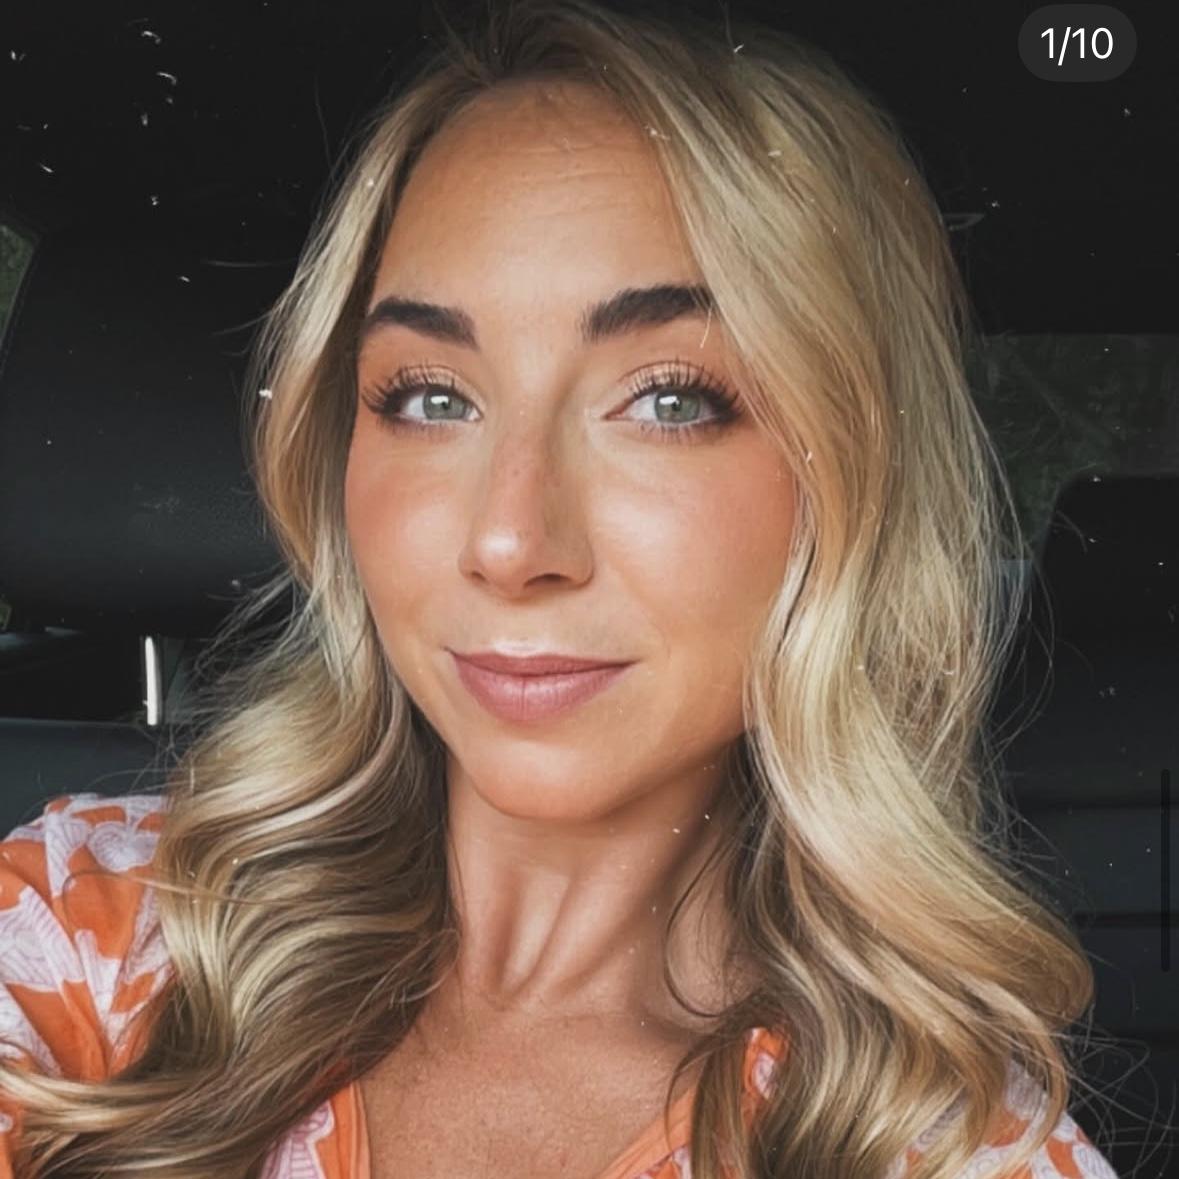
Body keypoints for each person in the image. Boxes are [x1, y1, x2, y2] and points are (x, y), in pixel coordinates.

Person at [0, 2, 1123, 1177]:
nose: (509, 539)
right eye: (432, 397)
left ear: (852, 481)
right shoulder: (90, 933)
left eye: (670, 401)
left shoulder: (943, 1148)